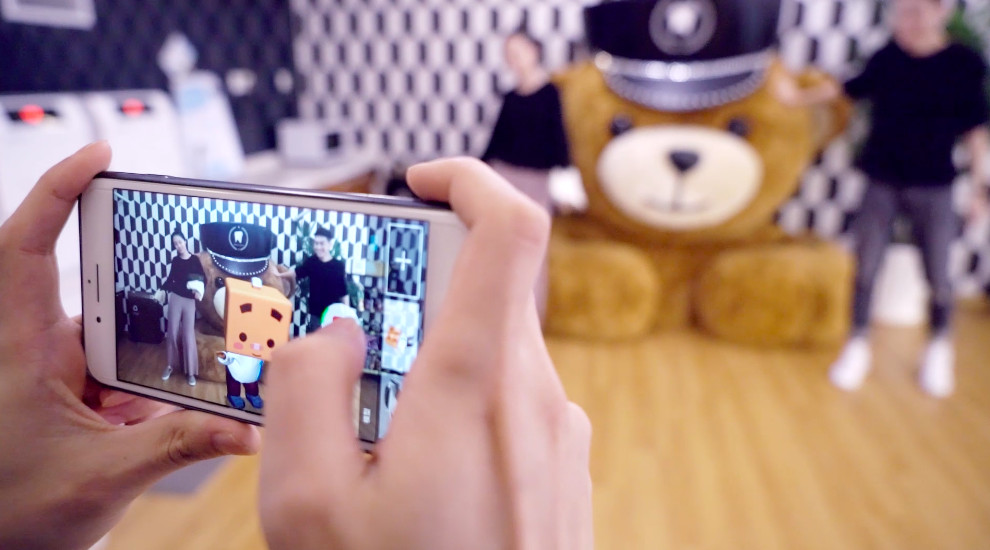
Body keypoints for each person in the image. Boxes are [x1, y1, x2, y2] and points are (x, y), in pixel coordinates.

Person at [0, 144, 592, 549]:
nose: (325, 249)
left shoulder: (321, 270)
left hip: (331, 318)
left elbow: (314, 288)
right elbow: (286, 282)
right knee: (242, 364)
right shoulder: (266, 265)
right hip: (245, 325)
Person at [776, 0, 990, 397]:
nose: (905, 21)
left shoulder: (964, 64)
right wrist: (796, 98)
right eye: (900, 13)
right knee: (865, 270)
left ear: (940, 12)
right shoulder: (887, 57)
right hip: (881, 182)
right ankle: (857, 346)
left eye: (915, 12)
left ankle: (938, 350)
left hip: (935, 187)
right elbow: (845, 89)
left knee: (939, 277)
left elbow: (976, 131)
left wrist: (981, 190)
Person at [482, 28, 570, 321]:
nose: (514, 59)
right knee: (501, 248)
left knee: (532, 250)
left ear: (534, 51)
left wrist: (564, 184)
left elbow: (560, 142)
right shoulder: (510, 98)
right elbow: (494, 145)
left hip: (536, 183)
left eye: (518, 51)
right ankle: (501, 316)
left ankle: (530, 320)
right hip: (505, 179)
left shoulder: (551, 94)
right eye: (509, 54)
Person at [275, 225, 349, 333]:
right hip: (315, 315)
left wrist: (347, 315)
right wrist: (279, 275)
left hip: (333, 314)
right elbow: (296, 273)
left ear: (330, 244)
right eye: (316, 243)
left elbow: (343, 292)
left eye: (321, 243)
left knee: (330, 342)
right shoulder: (312, 262)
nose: (318, 247)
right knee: (316, 342)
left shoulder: (338, 266)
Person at [158, 230, 205, 386]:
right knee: (171, 332)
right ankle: (170, 366)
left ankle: (191, 372)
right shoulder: (176, 261)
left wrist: (199, 291)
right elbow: (171, 279)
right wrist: (161, 289)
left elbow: (202, 279)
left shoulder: (195, 260)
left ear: (185, 241)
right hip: (175, 299)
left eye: (180, 242)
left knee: (188, 335)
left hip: (189, 301)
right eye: (175, 243)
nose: (178, 245)